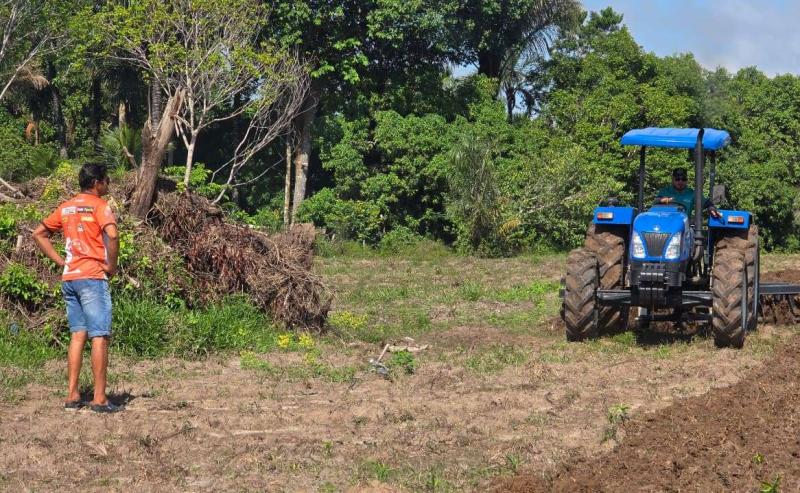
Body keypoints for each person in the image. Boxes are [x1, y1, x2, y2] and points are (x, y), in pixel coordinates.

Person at [32, 163, 122, 413]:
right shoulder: (100, 206)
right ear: (97, 183)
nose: (108, 184)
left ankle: (72, 395)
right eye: (106, 180)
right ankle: (99, 399)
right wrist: (111, 266)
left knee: (77, 335)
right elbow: (113, 235)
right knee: (99, 336)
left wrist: (61, 262)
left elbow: (39, 233)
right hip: (92, 277)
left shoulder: (66, 207)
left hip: (70, 278)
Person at [656, 167, 722, 219]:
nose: (680, 181)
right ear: (672, 180)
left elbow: (707, 203)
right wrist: (661, 200)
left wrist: (711, 208)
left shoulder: (692, 193)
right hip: (666, 223)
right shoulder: (665, 191)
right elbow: (656, 201)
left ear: (687, 180)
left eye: (683, 179)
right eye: (677, 179)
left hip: (684, 227)